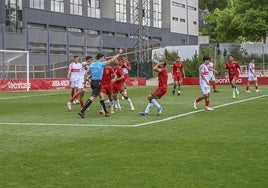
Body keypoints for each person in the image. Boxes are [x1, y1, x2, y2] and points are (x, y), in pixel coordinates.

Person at [78, 49, 123, 118]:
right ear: (101, 58)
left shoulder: (92, 64)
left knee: (101, 97)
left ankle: (106, 113)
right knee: (92, 97)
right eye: (103, 58)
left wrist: (84, 82)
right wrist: (119, 54)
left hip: (93, 82)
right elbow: (111, 60)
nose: (104, 59)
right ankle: (82, 111)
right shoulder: (101, 64)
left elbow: (86, 73)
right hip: (98, 82)